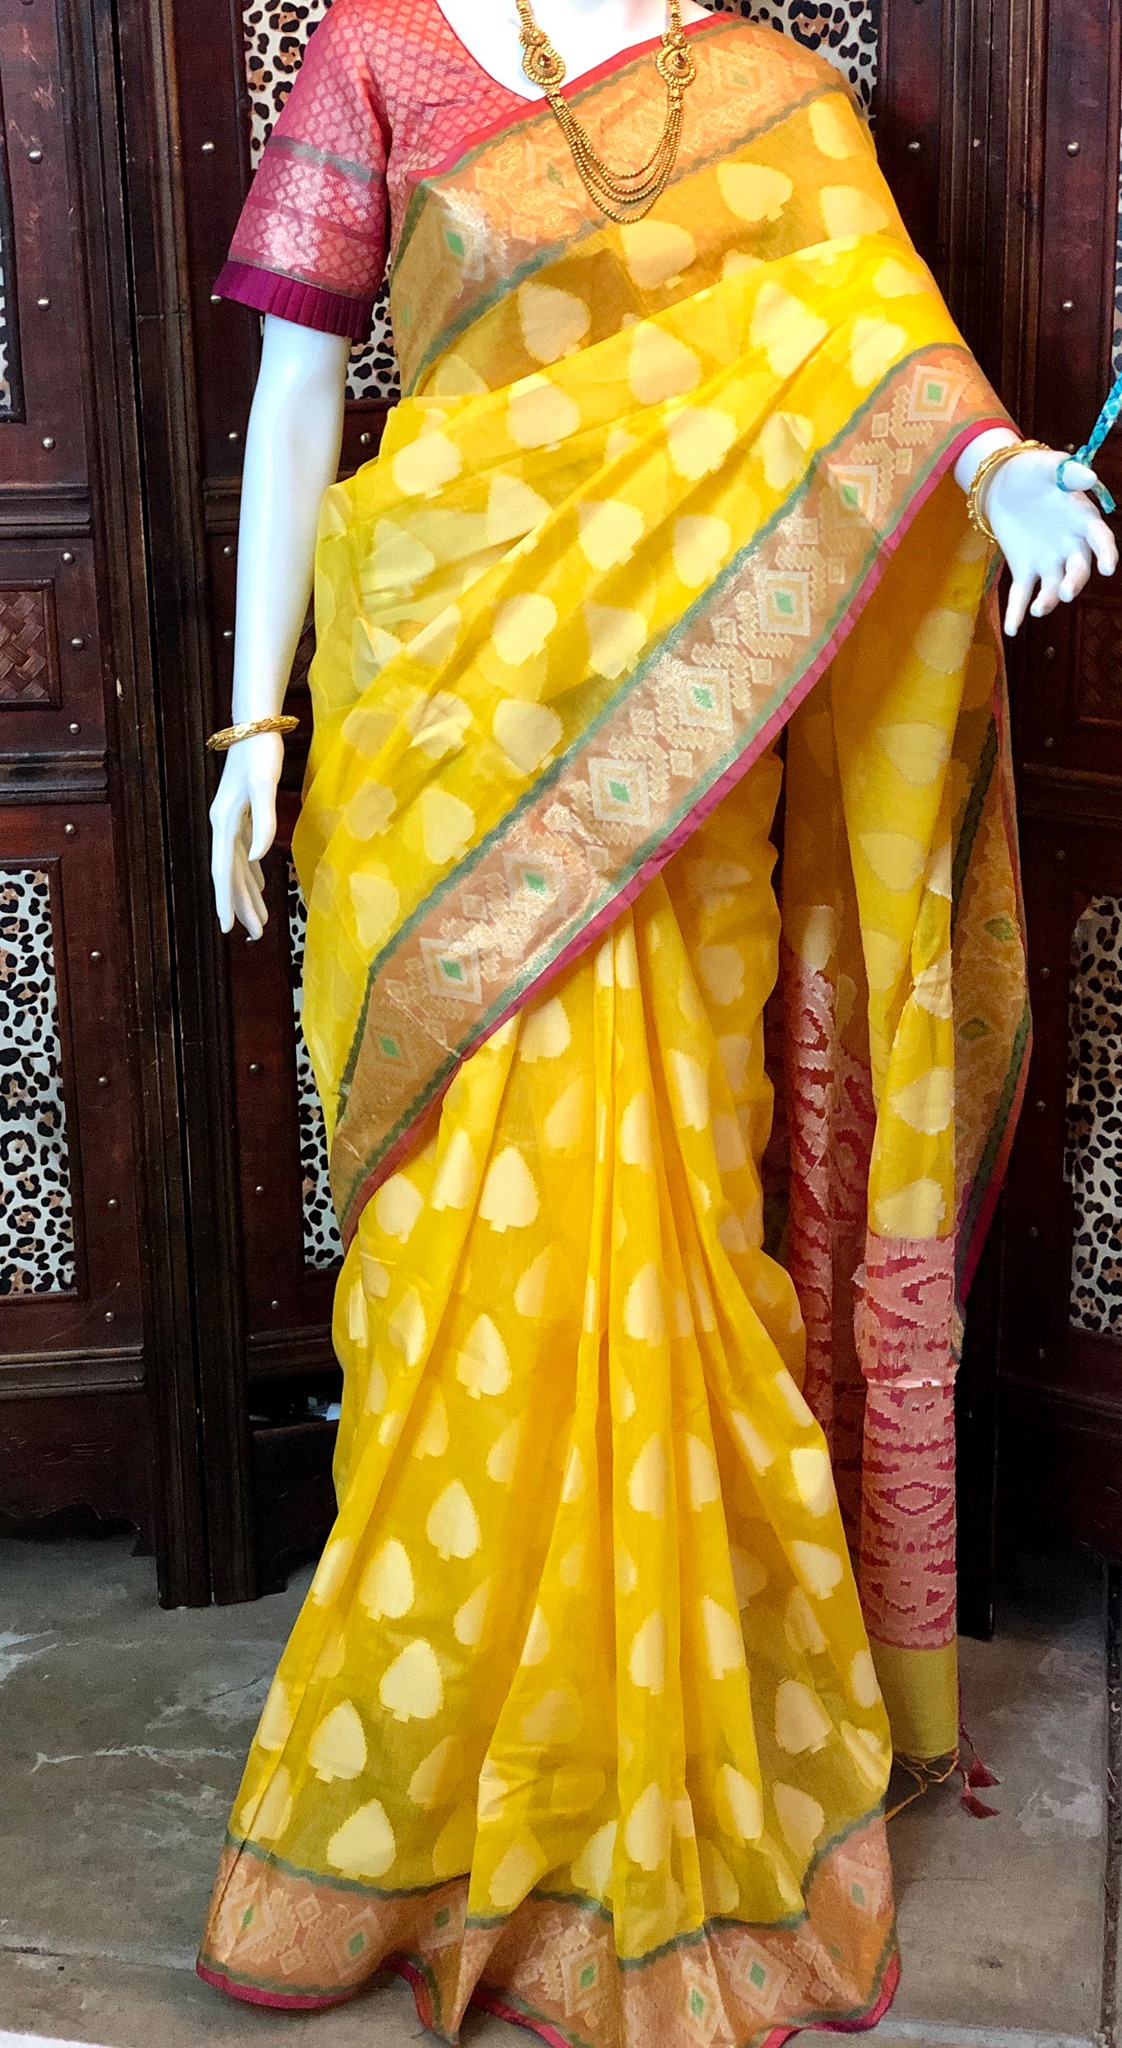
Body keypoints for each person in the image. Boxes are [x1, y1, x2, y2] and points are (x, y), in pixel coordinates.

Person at [198, 1, 1116, 2036]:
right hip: (437, 730)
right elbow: (295, 394)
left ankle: (678, 1737)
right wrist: (256, 728)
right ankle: (439, 1757)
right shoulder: (372, 52)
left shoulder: (773, 89)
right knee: (454, 1259)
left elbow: (872, 347)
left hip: (678, 769)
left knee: (679, 1223)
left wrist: (993, 469)